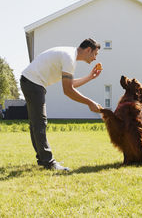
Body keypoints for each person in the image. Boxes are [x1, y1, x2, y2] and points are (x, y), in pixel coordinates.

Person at [20, 38, 102, 171]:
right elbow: (68, 90)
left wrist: (90, 77)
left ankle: (43, 159)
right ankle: (49, 162)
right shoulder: (69, 57)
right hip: (33, 83)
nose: (94, 58)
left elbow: (70, 84)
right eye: (95, 54)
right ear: (88, 50)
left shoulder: (70, 56)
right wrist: (90, 103)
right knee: (39, 122)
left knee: (36, 123)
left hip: (30, 81)